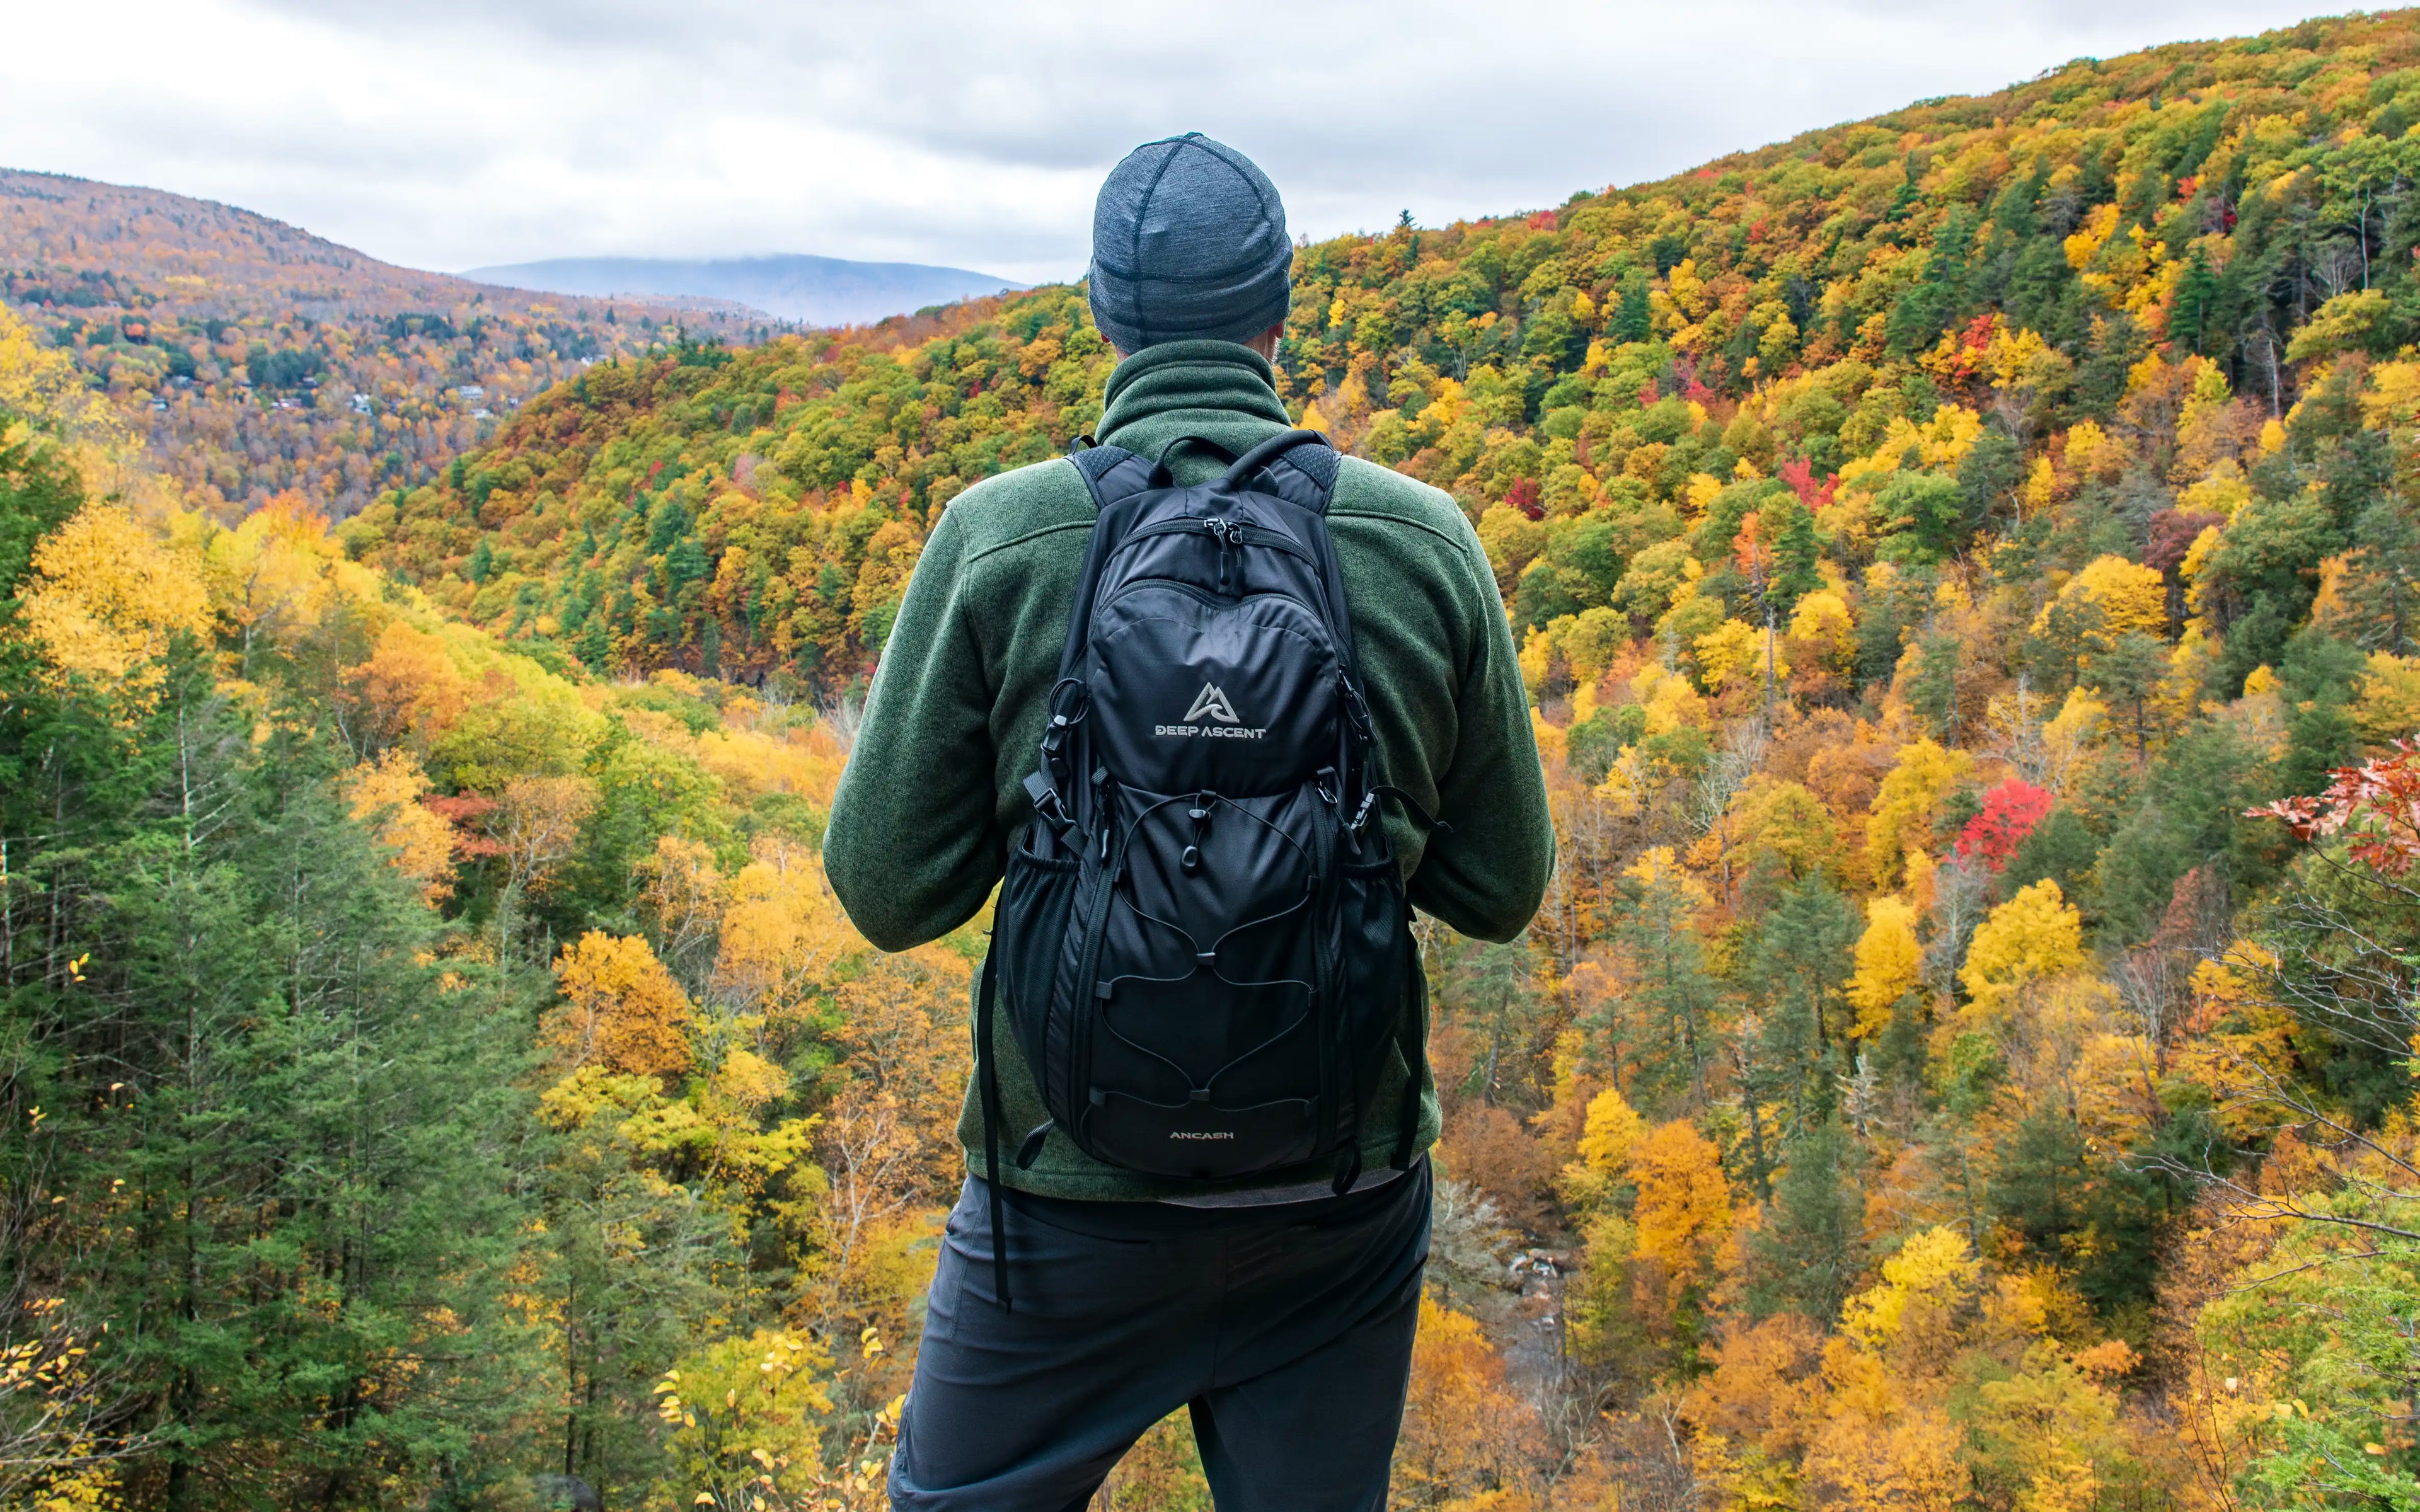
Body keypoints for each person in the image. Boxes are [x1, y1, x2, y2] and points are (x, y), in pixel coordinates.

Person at [824, 132, 1553, 1512]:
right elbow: (1503, 887)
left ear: (1101, 313)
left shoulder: (1001, 537)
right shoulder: (1421, 538)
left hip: (1062, 1202)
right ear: (1282, 310)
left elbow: (884, 890)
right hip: (1338, 1193)